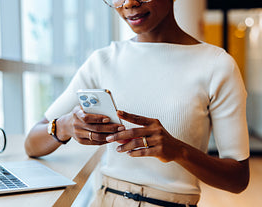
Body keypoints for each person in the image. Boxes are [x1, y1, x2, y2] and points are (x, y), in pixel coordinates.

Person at [24, 0, 250, 206]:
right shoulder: (103, 61)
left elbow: (238, 179)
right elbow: (32, 143)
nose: (130, 3)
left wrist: (179, 151)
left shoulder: (217, 66)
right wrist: (64, 126)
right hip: (105, 200)